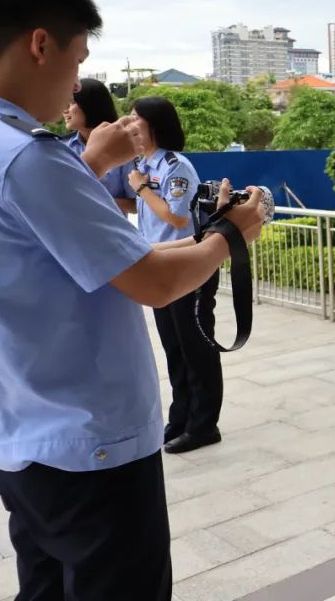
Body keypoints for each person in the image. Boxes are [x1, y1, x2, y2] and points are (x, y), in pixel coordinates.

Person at [0, 0, 265, 601]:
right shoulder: (23, 156)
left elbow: (64, 257)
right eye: (78, 59)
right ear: (41, 44)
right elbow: (152, 282)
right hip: (86, 447)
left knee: (45, 586)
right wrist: (231, 234)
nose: (76, 84)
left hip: (14, 437)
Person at [129, 96, 224, 454]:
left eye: (135, 118)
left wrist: (141, 187)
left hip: (187, 265)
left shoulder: (174, 166)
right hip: (160, 265)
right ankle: (180, 419)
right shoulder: (143, 165)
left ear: (154, 124)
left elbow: (176, 216)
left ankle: (204, 426)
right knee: (174, 348)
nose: (129, 123)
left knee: (196, 348)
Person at [62, 77, 137, 213]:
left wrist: (94, 200)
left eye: (72, 103)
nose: (65, 110)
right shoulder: (62, 148)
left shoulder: (121, 146)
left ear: (90, 104)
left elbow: (137, 204)